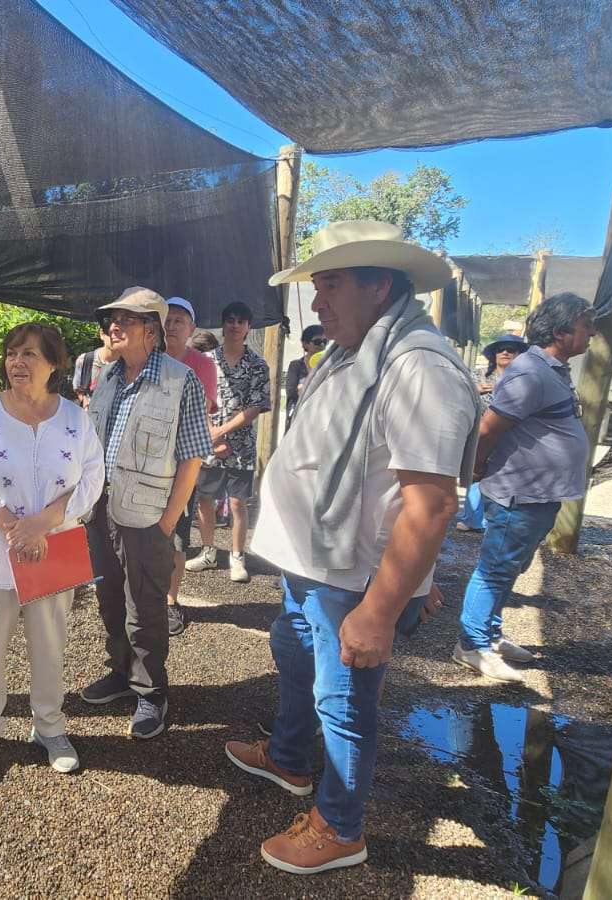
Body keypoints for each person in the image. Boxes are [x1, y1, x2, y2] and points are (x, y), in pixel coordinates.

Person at [229, 221, 478, 876]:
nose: (317, 303)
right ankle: (288, 757)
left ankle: (340, 827)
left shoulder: (418, 367)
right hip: (312, 561)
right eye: (317, 286)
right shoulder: (352, 352)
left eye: (331, 285)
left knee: (343, 702)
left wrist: (382, 608)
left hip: (352, 578)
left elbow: (431, 505)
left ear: (380, 285)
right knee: (294, 656)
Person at [0, 323, 105, 781]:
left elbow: (92, 477)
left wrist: (45, 522)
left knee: (50, 644)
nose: (17, 362)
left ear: (54, 364)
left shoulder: (76, 419)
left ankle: (50, 726)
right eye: (12, 353)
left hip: (53, 551)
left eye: (29, 354)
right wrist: (12, 525)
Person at [82, 287, 210, 739]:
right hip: (99, 511)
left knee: (146, 608)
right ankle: (121, 672)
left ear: (151, 331)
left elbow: (192, 456)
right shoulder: (107, 375)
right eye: (112, 319)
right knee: (109, 598)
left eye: (126, 320)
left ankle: (152, 692)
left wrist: (168, 521)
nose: (113, 326)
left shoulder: (181, 381)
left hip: (148, 517)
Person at [453, 295, 595, 683]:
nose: (592, 333)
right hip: (519, 492)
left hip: (539, 492)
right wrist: (476, 468)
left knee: (511, 566)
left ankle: (491, 635)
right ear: (561, 332)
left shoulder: (551, 371)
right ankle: (471, 644)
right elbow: (489, 429)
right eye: (585, 325)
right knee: (496, 568)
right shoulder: (530, 373)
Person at [186, 301, 270, 583]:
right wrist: (211, 433)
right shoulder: (206, 361)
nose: (235, 325)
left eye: (241, 321)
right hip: (207, 441)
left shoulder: (258, 365)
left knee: (237, 503)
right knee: (204, 498)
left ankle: (237, 556)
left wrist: (222, 432)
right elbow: (197, 398)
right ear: (223, 325)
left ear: (248, 327)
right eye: (230, 320)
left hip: (241, 445)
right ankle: (208, 551)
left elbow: (256, 406)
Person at [161, 296, 220, 636]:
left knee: (177, 538)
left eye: (179, 320)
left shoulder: (202, 365)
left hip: (183, 463)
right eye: (166, 319)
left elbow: (202, 412)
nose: (171, 326)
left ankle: (170, 601)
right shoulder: (145, 357)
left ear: (192, 328)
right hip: (142, 464)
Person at [455, 333, 528, 532]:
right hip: (479, 433)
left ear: (520, 354)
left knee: (502, 477)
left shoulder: (525, 380)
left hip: (510, 436)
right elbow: (455, 393)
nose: (505, 352)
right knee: (475, 473)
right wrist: (474, 390)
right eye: (500, 349)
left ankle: (494, 520)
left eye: (511, 349)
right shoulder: (477, 376)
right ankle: (471, 518)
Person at [284, 324, 326, 428]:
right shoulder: (296, 365)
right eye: (317, 342)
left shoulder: (328, 365)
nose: (322, 345)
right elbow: (291, 391)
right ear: (305, 344)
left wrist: (304, 387)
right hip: (298, 418)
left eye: (325, 341)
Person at [72, 320, 115, 407]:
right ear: (102, 334)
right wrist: (85, 402)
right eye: (111, 332)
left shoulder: (129, 364)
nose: (115, 337)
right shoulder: (85, 360)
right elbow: (78, 388)